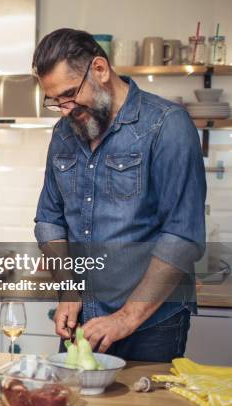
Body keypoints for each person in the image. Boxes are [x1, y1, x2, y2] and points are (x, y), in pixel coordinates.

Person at [32, 28, 206, 362]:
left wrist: (126, 318)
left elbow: (183, 236)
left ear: (99, 69)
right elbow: (49, 221)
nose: (65, 109)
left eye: (70, 94)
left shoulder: (167, 126)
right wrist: (68, 288)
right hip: (83, 321)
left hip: (152, 326)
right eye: (56, 101)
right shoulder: (63, 133)